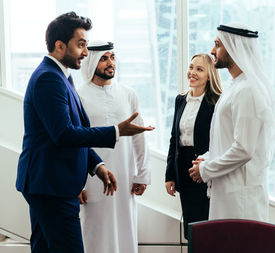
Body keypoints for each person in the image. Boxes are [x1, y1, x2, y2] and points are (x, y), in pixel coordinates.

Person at [15, 12, 154, 253]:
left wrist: (97, 166)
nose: (86, 52)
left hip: (47, 185)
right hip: (52, 186)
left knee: (45, 248)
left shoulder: (61, 76)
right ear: (60, 45)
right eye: (80, 45)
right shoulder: (49, 78)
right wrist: (115, 132)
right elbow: (64, 134)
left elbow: (72, 132)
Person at [189, 24, 275, 222]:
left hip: (241, 197)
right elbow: (227, 139)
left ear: (235, 47)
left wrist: (206, 170)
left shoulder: (247, 90)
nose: (212, 51)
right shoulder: (234, 86)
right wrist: (208, 158)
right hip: (228, 190)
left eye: (218, 45)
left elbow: (244, 149)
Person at [77, 41, 151, 253]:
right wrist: (78, 183)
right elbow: (76, 142)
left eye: (113, 57)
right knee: (95, 232)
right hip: (92, 179)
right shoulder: (79, 96)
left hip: (125, 177)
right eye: (104, 58)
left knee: (125, 230)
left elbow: (139, 137)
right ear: (91, 62)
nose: (111, 63)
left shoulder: (128, 93)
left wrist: (142, 175)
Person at [165, 53, 222, 239]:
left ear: (209, 75)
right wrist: (170, 175)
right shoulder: (180, 99)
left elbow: (220, 141)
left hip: (204, 169)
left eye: (199, 69)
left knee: (207, 229)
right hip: (183, 169)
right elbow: (174, 138)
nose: (192, 72)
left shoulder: (217, 102)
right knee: (191, 230)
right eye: (191, 67)